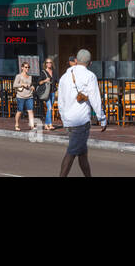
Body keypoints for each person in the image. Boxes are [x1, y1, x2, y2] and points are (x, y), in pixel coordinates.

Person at [57, 49, 103, 177]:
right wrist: (102, 118)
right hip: (80, 120)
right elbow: (95, 99)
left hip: (69, 119)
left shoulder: (64, 77)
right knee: (71, 152)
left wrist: (63, 117)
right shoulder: (90, 76)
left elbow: (60, 100)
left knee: (82, 153)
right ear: (90, 63)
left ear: (76, 60)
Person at [12, 61, 36, 132]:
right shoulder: (18, 76)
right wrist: (22, 84)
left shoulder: (30, 77)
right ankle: (16, 124)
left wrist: (32, 87)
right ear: (22, 68)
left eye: (28, 67)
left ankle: (32, 126)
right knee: (19, 111)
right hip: (21, 96)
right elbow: (14, 85)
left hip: (29, 96)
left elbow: (30, 85)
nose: (27, 68)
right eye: (26, 67)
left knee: (30, 111)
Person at [39, 58, 57, 130]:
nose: (49, 64)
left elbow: (56, 81)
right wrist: (45, 80)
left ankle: (46, 124)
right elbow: (39, 82)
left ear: (52, 63)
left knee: (50, 109)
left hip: (52, 93)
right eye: (47, 62)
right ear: (45, 64)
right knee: (49, 108)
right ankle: (50, 124)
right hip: (46, 94)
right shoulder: (43, 72)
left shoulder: (54, 72)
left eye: (50, 62)